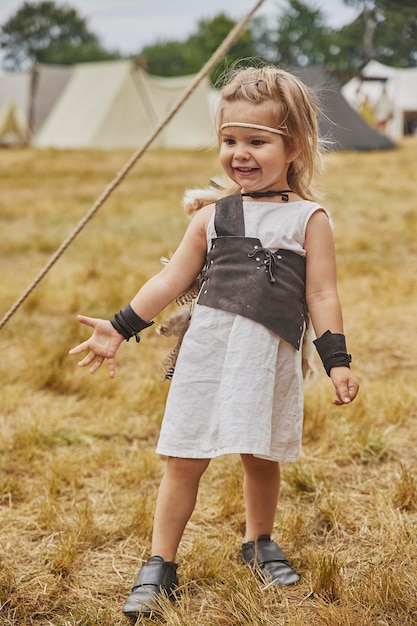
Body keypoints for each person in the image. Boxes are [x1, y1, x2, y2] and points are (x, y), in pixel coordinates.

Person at [69, 64, 359, 620]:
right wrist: (119, 326)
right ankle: (160, 564)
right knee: (183, 457)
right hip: (206, 357)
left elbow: (322, 295)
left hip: (267, 358)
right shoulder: (211, 217)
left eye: (257, 141)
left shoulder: (308, 219)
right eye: (229, 140)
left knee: (261, 453)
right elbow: (170, 280)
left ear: (294, 146)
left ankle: (259, 541)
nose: (239, 153)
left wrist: (337, 361)